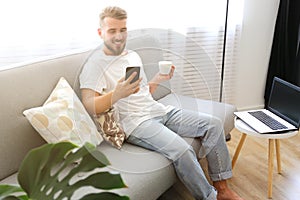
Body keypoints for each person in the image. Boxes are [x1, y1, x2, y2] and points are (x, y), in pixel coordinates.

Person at [79, 6, 243, 200]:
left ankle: (222, 189)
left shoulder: (131, 55)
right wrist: (116, 94)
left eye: (122, 30)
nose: (119, 36)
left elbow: (141, 92)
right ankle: (209, 197)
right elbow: (89, 103)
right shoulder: (94, 65)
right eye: (112, 31)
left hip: (159, 111)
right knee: (182, 150)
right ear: (100, 33)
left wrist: (157, 79)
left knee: (213, 124)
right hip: (137, 124)